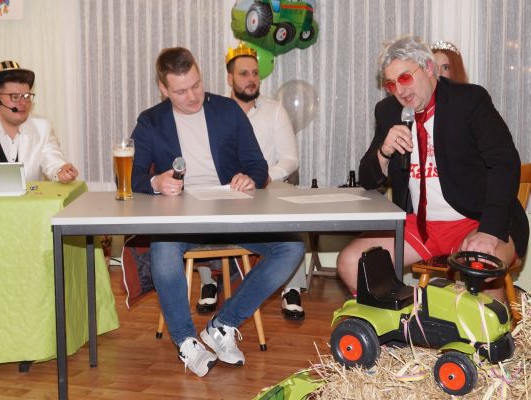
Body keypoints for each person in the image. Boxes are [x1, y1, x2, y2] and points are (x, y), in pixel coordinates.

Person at [131, 47, 305, 377]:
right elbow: (131, 176)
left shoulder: (227, 110)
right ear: (163, 89)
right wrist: (156, 181)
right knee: (162, 247)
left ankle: (223, 325)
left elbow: (257, 165)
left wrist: (249, 178)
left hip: (230, 214)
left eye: (196, 85)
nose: (193, 96)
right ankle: (185, 340)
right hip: (181, 218)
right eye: (181, 91)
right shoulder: (151, 121)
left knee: (291, 247)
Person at [336, 36, 528, 301]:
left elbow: (504, 163)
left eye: (405, 78)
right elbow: (367, 180)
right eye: (391, 84)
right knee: (351, 262)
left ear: (428, 68)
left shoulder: (468, 100)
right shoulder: (388, 111)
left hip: (477, 219)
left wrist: (489, 231)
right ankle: (405, 323)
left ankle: (490, 327)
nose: (399, 91)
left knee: (483, 263)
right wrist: (384, 151)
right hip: (422, 225)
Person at [195, 42, 306, 320]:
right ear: (229, 78)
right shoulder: (212, 110)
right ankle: (209, 282)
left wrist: (265, 177)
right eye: (244, 74)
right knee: (200, 204)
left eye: (255, 73)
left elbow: (290, 159)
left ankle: (292, 289)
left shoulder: (274, 110)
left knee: (291, 211)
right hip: (224, 188)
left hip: (266, 184)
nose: (251, 79)